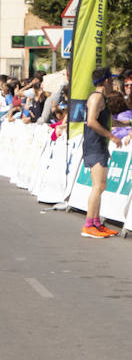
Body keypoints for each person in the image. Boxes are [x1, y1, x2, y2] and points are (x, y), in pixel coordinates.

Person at [81, 67, 122, 239]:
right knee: (98, 186)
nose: (113, 84)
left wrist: (126, 123)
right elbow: (91, 121)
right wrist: (111, 136)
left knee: (101, 185)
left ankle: (96, 223)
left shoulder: (100, 98)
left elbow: (106, 120)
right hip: (94, 145)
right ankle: (88, 225)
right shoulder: (96, 97)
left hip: (99, 146)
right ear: (106, 81)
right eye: (111, 80)